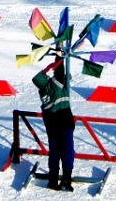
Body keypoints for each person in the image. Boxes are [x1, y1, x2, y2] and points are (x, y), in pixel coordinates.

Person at [33, 59, 75, 191]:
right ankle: (66, 180)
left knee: (55, 152)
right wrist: (59, 57)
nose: (48, 75)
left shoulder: (44, 91)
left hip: (51, 125)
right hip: (64, 122)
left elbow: (59, 75)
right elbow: (60, 73)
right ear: (46, 80)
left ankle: (53, 180)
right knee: (67, 152)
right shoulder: (54, 85)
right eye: (46, 76)